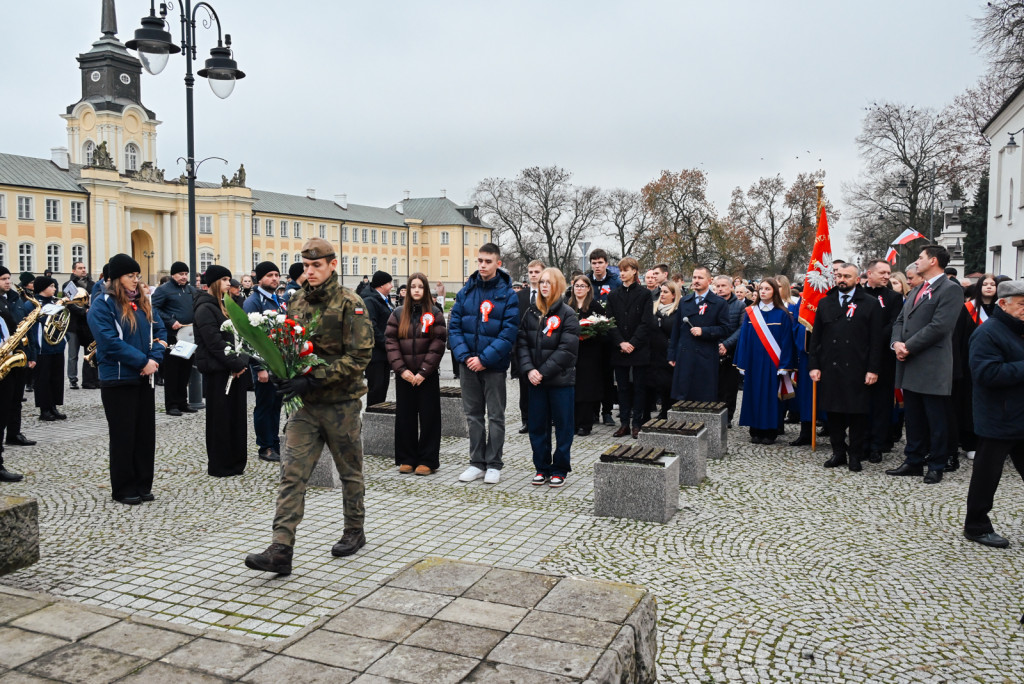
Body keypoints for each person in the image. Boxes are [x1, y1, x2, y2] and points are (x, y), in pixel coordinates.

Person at [245, 238, 374, 576]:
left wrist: (315, 377)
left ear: (333, 264)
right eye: (306, 265)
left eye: (317, 265)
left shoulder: (351, 303)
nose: (310, 271)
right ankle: (281, 548)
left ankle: (354, 529)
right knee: (291, 473)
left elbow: (359, 357)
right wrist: (282, 372)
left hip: (341, 404)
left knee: (349, 472)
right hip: (304, 407)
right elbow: (288, 344)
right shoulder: (296, 301)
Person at [87, 254, 166, 505]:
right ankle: (124, 487)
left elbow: (159, 331)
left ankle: (143, 484)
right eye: (130, 276)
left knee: (144, 435)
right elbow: (109, 342)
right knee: (124, 435)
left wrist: (154, 358)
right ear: (116, 279)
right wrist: (142, 362)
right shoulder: (103, 304)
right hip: (119, 379)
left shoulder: (143, 302)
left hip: (144, 377)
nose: (135, 280)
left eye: (137, 276)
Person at [887, 245, 965, 484]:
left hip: (932, 365)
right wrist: (896, 343)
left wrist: (908, 346)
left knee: (936, 418)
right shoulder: (918, 288)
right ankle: (913, 460)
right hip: (910, 362)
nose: (917, 261)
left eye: (920, 257)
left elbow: (940, 326)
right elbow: (900, 320)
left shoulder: (950, 289)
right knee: (914, 417)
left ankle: (936, 464)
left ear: (933, 261)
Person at [449, 243, 519, 485]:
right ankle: (476, 463)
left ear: (498, 264)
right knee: (473, 415)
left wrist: (484, 359)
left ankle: (494, 464)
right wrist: (466, 356)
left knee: (496, 416)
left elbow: (508, 333)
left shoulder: (508, 295)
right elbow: (454, 327)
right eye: (480, 261)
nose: (482, 265)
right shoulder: (466, 292)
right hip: (468, 364)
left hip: (494, 367)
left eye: (488, 261)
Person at [962, 279, 1024, 548]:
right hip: (999, 417)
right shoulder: (988, 333)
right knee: (987, 476)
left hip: (1020, 415)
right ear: (1003, 304)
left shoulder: (1018, 329)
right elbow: (987, 374)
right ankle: (976, 526)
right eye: (1022, 305)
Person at [808, 263, 884, 472]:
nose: (842, 279)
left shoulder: (870, 303)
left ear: (857, 279)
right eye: (839, 275)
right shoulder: (826, 302)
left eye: (847, 276)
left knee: (857, 414)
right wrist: (814, 365)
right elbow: (816, 337)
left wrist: (873, 369)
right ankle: (838, 452)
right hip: (830, 366)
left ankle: (855, 454)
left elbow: (876, 340)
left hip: (858, 367)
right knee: (834, 413)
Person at [516, 267, 579, 487]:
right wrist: (529, 369)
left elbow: (567, 350)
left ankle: (559, 469)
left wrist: (542, 371)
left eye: (548, 282)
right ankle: (541, 467)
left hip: (560, 381)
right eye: (541, 282)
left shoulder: (568, 314)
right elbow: (521, 343)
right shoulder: (531, 313)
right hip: (536, 382)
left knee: (563, 427)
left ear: (558, 285)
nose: (543, 286)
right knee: (537, 426)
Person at [385, 272, 447, 475]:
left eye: (420, 287)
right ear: (408, 289)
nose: (417, 290)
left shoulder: (435, 313)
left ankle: (427, 459)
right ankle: (407, 458)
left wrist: (423, 372)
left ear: (426, 289)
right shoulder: (397, 313)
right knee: (405, 416)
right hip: (405, 375)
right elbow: (391, 343)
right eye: (413, 287)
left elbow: (438, 344)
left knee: (429, 417)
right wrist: (401, 370)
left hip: (426, 376)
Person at [193, 266, 251, 477]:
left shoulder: (229, 306)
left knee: (236, 417)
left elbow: (243, 335)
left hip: (235, 370)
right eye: (225, 279)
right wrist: (235, 364)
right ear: (215, 282)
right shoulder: (205, 308)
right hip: (218, 371)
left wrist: (242, 362)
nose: (229, 283)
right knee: (220, 418)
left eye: (229, 279)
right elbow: (214, 343)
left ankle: (236, 461)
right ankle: (221, 463)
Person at [734, 278, 797, 444]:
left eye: (767, 289)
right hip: (754, 362)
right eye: (761, 288)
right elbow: (744, 339)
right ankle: (754, 430)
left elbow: (787, 341)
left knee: (771, 397)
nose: (763, 291)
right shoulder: (751, 312)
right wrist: (742, 362)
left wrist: (784, 365)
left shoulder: (783, 314)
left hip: (773, 363)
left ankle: (770, 431)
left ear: (774, 291)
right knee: (753, 394)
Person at [668, 266, 731, 405]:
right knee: (684, 396)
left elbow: (725, 329)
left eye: (700, 278)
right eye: (694, 277)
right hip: (685, 355)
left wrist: (704, 331)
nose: (696, 280)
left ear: (709, 280)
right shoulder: (684, 301)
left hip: (706, 357)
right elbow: (676, 330)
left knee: (703, 398)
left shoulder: (719, 303)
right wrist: (672, 354)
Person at [607, 257, 654, 439]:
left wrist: (633, 343)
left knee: (640, 387)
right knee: (622, 387)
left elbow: (646, 322)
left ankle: (637, 423)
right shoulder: (613, 295)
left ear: (634, 271)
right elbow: (610, 321)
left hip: (638, 347)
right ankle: (624, 423)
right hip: (620, 348)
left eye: (626, 270)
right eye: (621, 270)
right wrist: (621, 342)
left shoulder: (644, 294)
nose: (622, 273)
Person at [243, 261, 286, 463]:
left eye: (277, 275)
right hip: (264, 364)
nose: (274, 279)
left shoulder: (279, 300)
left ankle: (275, 442)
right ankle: (265, 446)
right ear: (259, 279)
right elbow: (251, 337)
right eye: (270, 275)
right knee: (264, 406)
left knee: (276, 405)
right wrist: (258, 367)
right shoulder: (253, 302)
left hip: (279, 363)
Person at [862, 259, 904, 460]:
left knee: (881, 403)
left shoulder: (894, 297)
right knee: (861, 402)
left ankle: (877, 445)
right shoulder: (858, 294)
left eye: (889, 273)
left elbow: (895, 323)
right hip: (860, 356)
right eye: (883, 273)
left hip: (884, 358)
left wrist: (874, 338)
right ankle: (860, 442)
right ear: (870, 273)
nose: (887, 276)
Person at [152, 261, 197, 416]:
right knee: (172, 372)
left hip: (188, 335)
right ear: (173, 275)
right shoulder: (163, 290)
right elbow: (153, 308)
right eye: (180, 274)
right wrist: (170, 321)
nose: (184, 277)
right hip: (172, 336)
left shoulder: (191, 290)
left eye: (186, 274)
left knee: (185, 370)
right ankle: (172, 405)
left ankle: (183, 402)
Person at [1, 267, 35, 457]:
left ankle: (14, 433)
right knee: (4, 403)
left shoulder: (14, 298)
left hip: (17, 354)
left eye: (8, 278)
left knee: (15, 399)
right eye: (3, 279)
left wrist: (30, 354)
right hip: (5, 355)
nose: (8, 281)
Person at [586, 249, 621, 427]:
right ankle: (593, 411)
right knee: (592, 375)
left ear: (606, 263)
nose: (597, 266)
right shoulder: (586, 281)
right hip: (590, 336)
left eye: (600, 262)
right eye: (594, 263)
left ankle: (607, 412)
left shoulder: (615, 282)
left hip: (609, 336)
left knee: (607, 376)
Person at [568, 275, 604, 436]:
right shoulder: (567, 305)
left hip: (589, 353)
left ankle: (585, 424)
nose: (579, 289)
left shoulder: (595, 307)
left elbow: (603, 329)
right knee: (572, 388)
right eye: (577, 286)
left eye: (583, 286)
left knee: (586, 388)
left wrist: (589, 334)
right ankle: (573, 422)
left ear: (589, 288)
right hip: (570, 353)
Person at [27, 276, 67, 421]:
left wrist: (65, 337)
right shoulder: (32, 304)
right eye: (51, 286)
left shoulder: (55, 302)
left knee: (56, 378)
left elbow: (62, 321)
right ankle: (44, 409)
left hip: (57, 346)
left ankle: (53, 406)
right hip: (42, 347)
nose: (54, 289)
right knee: (43, 379)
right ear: (43, 288)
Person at [514, 260, 545, 434]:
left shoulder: (548, 294)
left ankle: (544, 418)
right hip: (523, 347)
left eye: (536, 272)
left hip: (543, 347)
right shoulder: (520, 296)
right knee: (524, 386)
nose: (533, 275)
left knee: (542, 383)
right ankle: (526, 419)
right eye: (531, 272)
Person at [715, 275, 746, 426]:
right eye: (718, 286)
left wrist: (726, 344)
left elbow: (742, 328)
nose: (720, 289)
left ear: (731, 287)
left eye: (723, 286)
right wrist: (717, 344)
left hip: (732, 352)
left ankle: (727, 417)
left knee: (730, 387)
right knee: (715, 386)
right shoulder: (711, 304)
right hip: (713, 349)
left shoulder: (740, 306)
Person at [648, 280, 681, 420]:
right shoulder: (653, 308)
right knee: (656, 383)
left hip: (669, 353)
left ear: (673, 295)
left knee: (668, 384)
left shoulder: (677, 311)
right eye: (661, 291)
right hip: (653, 352)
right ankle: (659, 411)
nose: (662, 294)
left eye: (666, 292)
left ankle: (668, 410)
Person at [362, 270, 394, 406]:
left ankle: (380, 413)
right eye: (389, 283)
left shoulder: (384, 300)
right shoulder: (370, 301)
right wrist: (387, 343)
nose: (392, 286)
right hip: (376, 354)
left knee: (383, 388)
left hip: (384, 353)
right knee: (376, 388)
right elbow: (371, 327)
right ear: (381, 285)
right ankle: (373, 414)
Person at [62, 261, 95, 390]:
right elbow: (69, 303)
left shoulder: (92, 284)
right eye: (80, 268)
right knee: (73, 354)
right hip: (74, 324)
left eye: (84, 267)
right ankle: (72, 379)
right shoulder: (69, 285)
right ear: (73, 271)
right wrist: (83, 311)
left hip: (87, 324)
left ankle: (90, 379)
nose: (83, 270)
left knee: (90, 352)